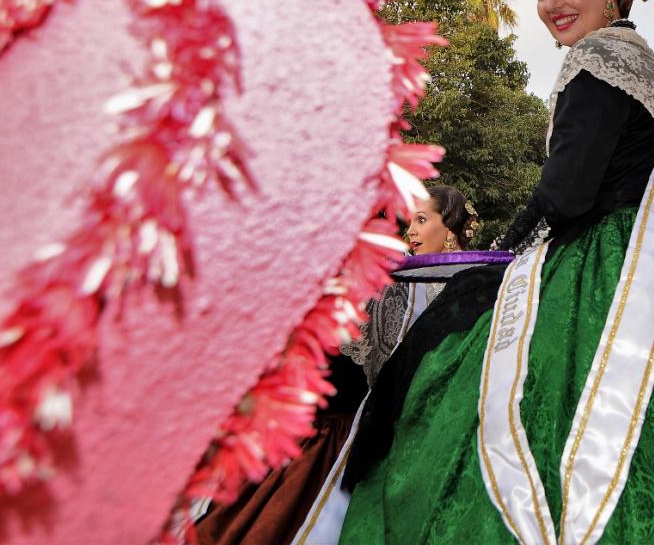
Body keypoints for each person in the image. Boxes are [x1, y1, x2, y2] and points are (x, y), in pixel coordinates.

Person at [339, 0, 654, 544]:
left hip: (610, 255)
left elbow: (569, 192)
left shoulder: (597, 61)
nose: (551, 2)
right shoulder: (646, 63)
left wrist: (506, 252)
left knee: (457, 380)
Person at [196, 187, 480, 545]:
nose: (412, 231)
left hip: (374, 442)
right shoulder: (375, 285)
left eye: (422, 220)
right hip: (322, 441)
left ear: (451, 231)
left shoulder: (455, 294)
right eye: (411, 221)